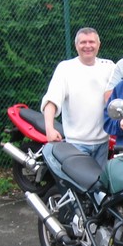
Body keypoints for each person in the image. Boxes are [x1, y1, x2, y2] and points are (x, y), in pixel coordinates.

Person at [41, 27, 114, 169]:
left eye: (92, 42)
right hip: (76, 144)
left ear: (99, 44)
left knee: (101, 187)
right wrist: (49, 128)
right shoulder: (66, 68)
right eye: (83, 42)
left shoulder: (109, 67)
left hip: (103, 143)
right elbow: (51, 100)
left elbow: (120, 96)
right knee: (80, 188)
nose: (88, 46)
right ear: (76, 46)